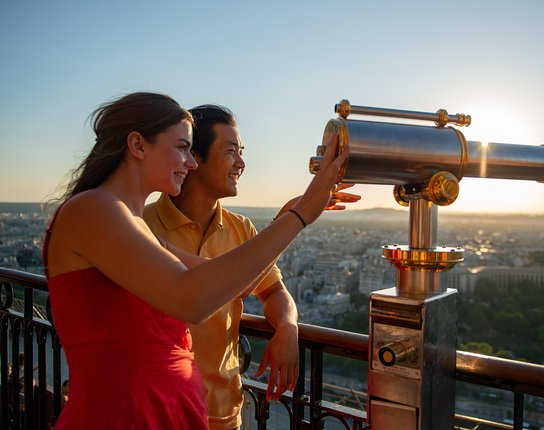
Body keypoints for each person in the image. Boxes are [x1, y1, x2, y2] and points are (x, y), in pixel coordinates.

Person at [43, 92, 350, 429]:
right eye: (181, 148)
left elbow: (237, 284)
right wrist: (301, 213)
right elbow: (191, 299)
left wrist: (291, 218)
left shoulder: (129, 223)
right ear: (138, 145)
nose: (189, 163)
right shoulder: (96, 210)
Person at [143, 105, 359, 429]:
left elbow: (272, 290)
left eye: (241, 152)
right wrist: (293, 219)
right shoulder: (142, 227)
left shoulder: (241, 228)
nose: (242, 164)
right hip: (158, 413)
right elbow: (227, 284)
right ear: (194, 158)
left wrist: (287, 325)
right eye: (231, 152)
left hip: (224, 412)